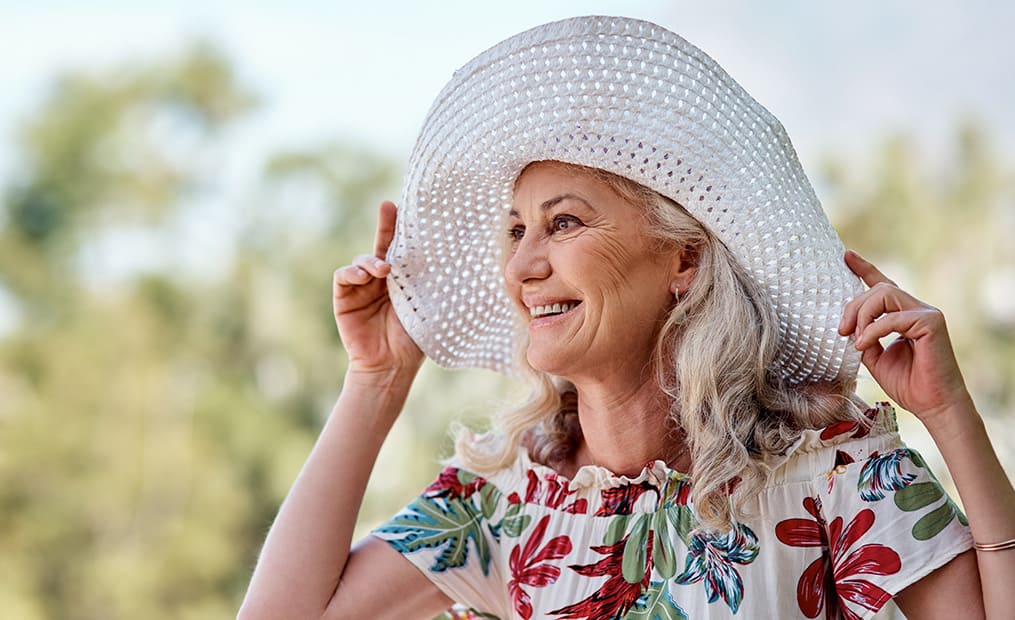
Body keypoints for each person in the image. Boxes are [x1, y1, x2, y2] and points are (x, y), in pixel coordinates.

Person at [239, 16, 1014, 619]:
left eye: (565, 223)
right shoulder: (504, 502)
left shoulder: (829, 470)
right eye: (515, 230)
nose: (521, 264)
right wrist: (375, 382)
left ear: (682, 261)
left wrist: (947, 416)